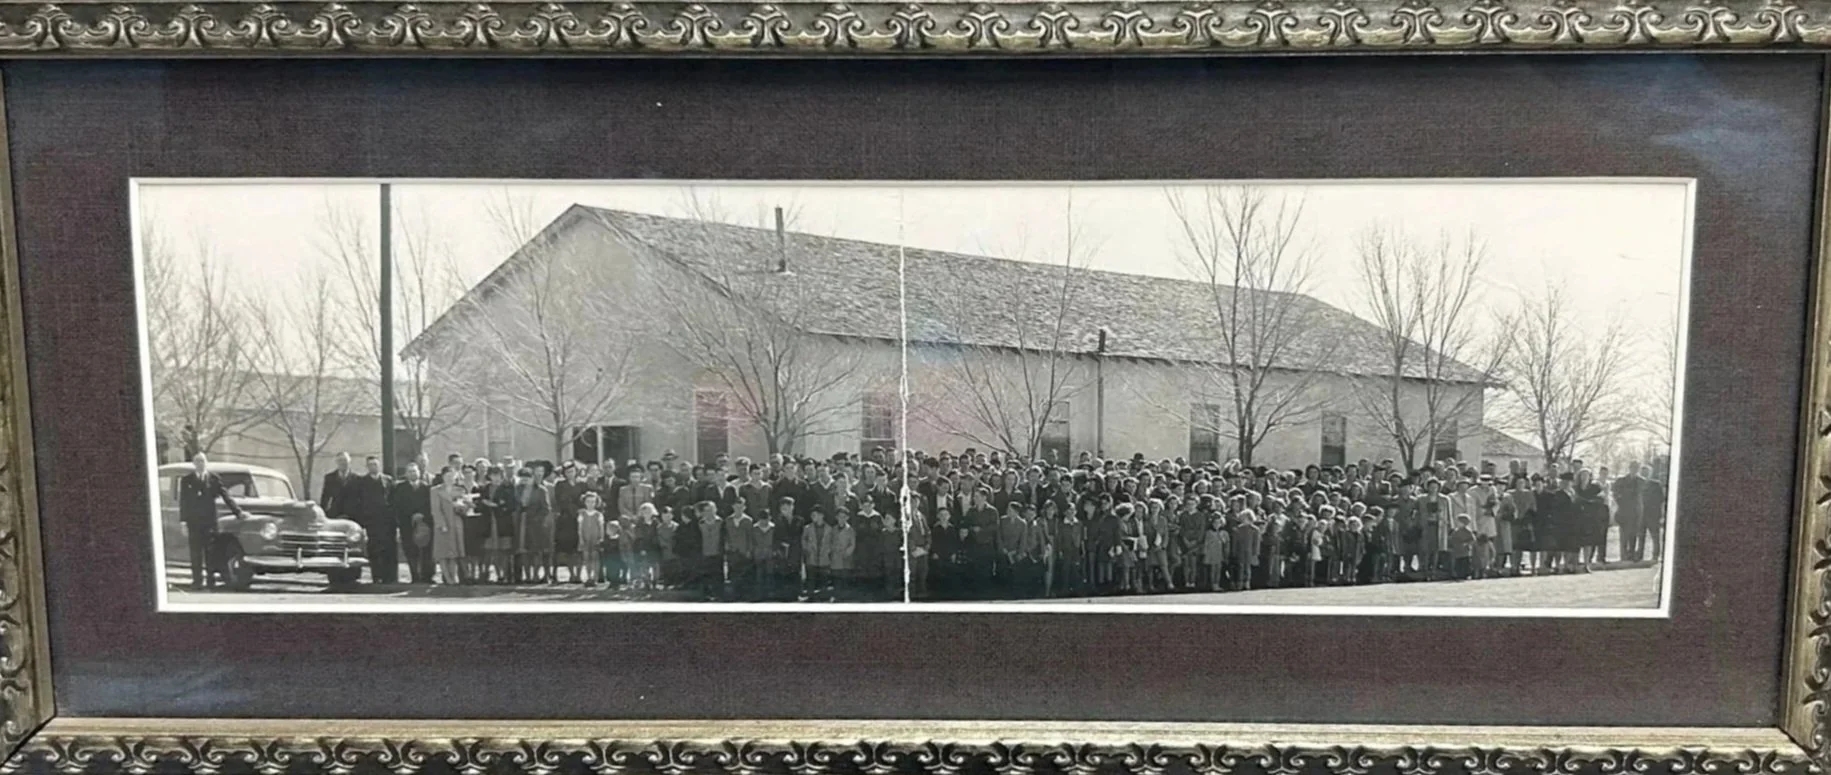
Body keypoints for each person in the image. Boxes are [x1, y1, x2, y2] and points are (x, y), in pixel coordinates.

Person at [177, 453, 244, 589]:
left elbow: (226, 496)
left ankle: (210, 581)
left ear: (206, 463)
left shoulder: (213, 479)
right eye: (197, 461)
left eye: (202, 461)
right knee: (195, 553)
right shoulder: (187, 480)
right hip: (193, 522)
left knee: (210, 552)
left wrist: (238, 512)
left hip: (209, 522)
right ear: (194, 464)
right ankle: (197, 581)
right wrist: (183, 522)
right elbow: (183, 502)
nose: (200, 464)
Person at [341, 455, 396, 584]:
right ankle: (376, 576)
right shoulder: (361, 482)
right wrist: (362, 523)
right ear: (367, 467)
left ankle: (390, 577)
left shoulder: (388, 480)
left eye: (375, 464)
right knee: (374, 549)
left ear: (379, 465)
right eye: (370, 465)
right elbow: (357, 502)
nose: (373, 467)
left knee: (388, 549)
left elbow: (393, 501)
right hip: (371, 522)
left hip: (387, 522)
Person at [389, 462, 432, 584]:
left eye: (415, 471)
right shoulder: (400, 488)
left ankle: (427, 577)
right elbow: (397, 505)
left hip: (424, 523)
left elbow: (430, 505)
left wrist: (422, 514)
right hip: (407, 523)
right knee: (410, 550)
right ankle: (415, 576)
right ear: (406, 474)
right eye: (410, 471)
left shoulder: (426, 487)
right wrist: (410, 515)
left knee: (426, 551)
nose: (413, 473)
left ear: (419, 472)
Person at [518, 464, 556, 584]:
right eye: (525, 478)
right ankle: (528, 576)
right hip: (523, 522)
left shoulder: (541, 490)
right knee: (525, 550)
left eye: (530, 477)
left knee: (539, 551)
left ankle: (539, 575)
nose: (527, 480)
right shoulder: (519, 489)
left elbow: (546, 508)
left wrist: (537, 519)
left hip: (538, 524)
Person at [430, 470, 466, 584]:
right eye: (447, 476)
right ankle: (447, 577)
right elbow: (435, 509)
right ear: (443, 477)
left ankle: (453, 576)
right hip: (443, 524)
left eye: (452, 476)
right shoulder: (435, 490)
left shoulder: (459, 490)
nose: (450, 478)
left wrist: (461, 507)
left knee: (454, 552)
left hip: (456, 523)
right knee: (443, 552)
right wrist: (441, 524)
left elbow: (465, 508)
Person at [1612, 463, 1646, 561]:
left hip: (1636, 511)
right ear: (1629, 468)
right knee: (1624, 535)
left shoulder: (1641, 481)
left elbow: (1643, 495)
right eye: (1633, 468)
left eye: (1637, 468)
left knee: (1633, 534)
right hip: (1624, 510)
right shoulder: (1621, 480)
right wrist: (1620, 502)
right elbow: (1615, 493)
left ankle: (1631, 554)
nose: (1635, 470)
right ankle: (1623, 556)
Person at [578, 491, 607, 586]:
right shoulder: (582, 514)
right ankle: (588, 577)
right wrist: (581, 539)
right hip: (585, 538)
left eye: (593, 502)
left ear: (596, 503)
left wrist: (601, 539)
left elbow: (601, 528)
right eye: (588, 501)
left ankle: (595, 577)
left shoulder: (598, 514)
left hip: (595, 538)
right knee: (586, 558)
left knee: (595, 558)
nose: (590, 504)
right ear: (585, 502)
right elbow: (580, 527)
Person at [320, 452, 355, 520]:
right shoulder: (329, 478)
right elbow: (325, 498)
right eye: (340, 460)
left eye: (345, 460)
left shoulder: (357, 479)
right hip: (335, 515)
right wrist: (324, 514)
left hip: (353, 516)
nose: (342, 463)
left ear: (349, 462)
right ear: (336, 462)